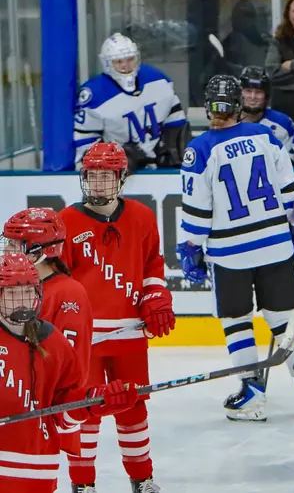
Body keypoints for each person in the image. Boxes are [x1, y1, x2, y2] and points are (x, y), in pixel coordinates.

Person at [177, 75, 294, 421]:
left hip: (230, 252)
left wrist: (191, 246)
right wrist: (293, 226)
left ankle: (252, 394)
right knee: (284, 318)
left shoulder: (201, 149)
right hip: (274, 244)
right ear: (238, 104)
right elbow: (288, 191)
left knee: (237, 321)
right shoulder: (265, 136)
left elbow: (198, 210)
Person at [58, 143, 174, 493]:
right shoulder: (67, 220)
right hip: (84, 339)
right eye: (92, 176)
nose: (97, 184)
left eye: (105, 176)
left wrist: (155, 294)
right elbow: (59, 281)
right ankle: (83, 484)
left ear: (121, 177)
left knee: (133, 409)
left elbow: (153, 262)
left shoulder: (141, 216)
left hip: (129, 333)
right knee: (86, 412)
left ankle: (142, 479)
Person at [0, 253, 139, 493]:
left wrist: (97, 401)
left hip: (38, 473)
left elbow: (62, 412)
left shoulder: (53, 342)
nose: (21, 300)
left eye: (29, 290)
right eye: (12, 293)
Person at [2, 208, 94, 459]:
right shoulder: (9, 285)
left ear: (38, 251)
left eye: (14, 243)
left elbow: (71, 371)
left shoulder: (68, 294)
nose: (7, 249)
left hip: (40, 420)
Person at [73, 33, 190, 171]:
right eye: (118, 61)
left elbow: (176, 122)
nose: (126, 66)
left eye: (130, 59)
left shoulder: (157, 79)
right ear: (107, 64)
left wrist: (172, 149)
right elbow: (85, 144)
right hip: (119, 176)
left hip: (159, 167)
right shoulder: (94, 95)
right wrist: (113, 158)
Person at [239, 66, 294, 147]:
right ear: (239, 93)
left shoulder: (283, 123)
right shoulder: (226, 121)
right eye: (248, 91)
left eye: (258, 92)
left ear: (266, 96)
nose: (252, 97)